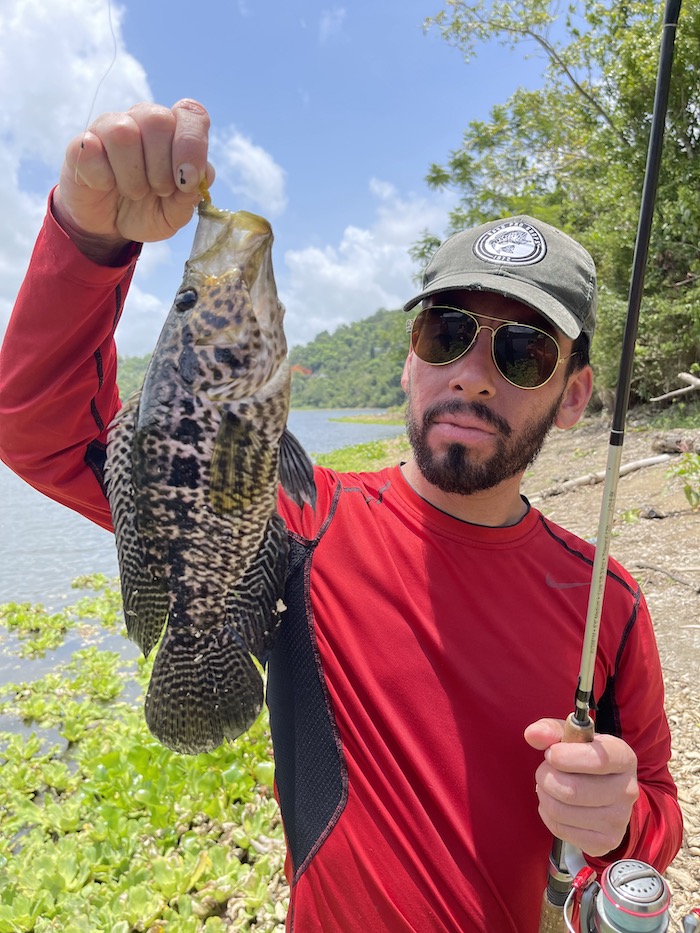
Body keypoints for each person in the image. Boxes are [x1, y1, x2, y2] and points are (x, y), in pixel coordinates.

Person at [0, 100, 682, 933]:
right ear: (408, 363)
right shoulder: (297, 519)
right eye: (446, 331)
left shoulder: (608, 605)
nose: (471, 374)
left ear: (573, 395)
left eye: (523, 351)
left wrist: (623, 821)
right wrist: (89, 238)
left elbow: (657, 811)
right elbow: (42, 431)